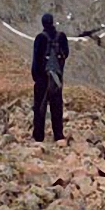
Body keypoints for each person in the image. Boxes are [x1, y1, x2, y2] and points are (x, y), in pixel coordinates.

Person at [31, 13, 69, 142]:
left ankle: (38, 136)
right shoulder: (62, 37)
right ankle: (58, 135)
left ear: (43, 23)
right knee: (57, 107)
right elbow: (66, 54)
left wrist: (36, 77)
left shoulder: (40, 38)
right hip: (57, 78)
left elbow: (36, 60)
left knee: (39, 107)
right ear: (52, 22)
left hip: (42, 78)